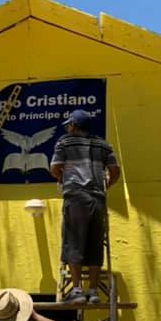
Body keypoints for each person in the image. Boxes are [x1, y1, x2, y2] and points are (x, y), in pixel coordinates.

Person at [49, 109, 120, 304]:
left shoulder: (65, 142)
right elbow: (114, 171)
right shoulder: (103, 145)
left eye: (69, 125)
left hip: (76, 197)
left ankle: (78, 290)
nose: (68, 128)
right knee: (95, 243)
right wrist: (106, 185)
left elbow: (54, 168)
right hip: (98, 199)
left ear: (73, 125)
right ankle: (94, 291)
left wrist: (63, 177)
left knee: (73, 241)